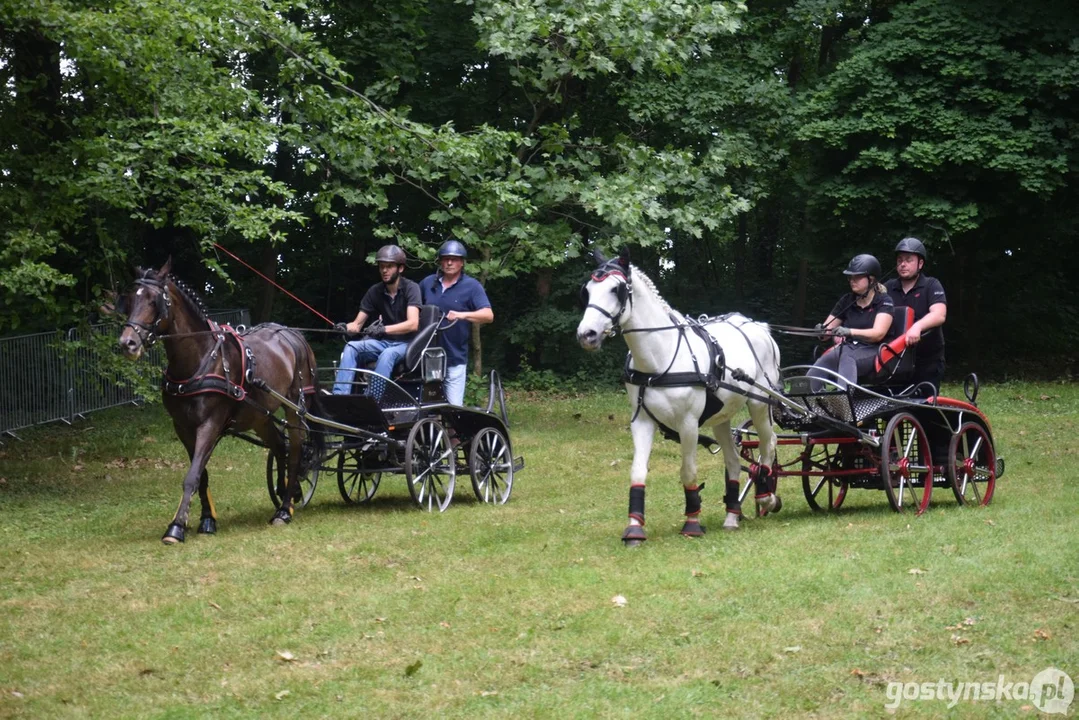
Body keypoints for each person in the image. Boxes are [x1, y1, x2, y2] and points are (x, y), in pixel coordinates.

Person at [332, 245, 422, 395]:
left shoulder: (411, 288)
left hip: (408, 344)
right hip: (384, 342)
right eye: (381, 267)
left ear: (400, 268)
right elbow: (357, 324)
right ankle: (339, 395)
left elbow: (413, 324)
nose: (384, 270)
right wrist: (346, 327)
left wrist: (384, 329)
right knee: (352, 347)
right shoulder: (375, 291)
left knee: (388, 354)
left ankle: (372, 400)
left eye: (389, 266)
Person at [420, 240, 494, 405]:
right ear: (440, 261)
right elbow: (411, 308)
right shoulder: (427, 283)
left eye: (454, 259)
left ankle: (455, 431)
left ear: (462, 262)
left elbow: (488, 315)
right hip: (427, 356)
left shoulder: (472, 286)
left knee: (453, 409)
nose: (449, 262)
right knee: (426, 407)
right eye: (446, 258)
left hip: (454, 356)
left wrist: (462, 315)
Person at [809, 254, 897, 390]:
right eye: (850, 277)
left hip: (875, 350)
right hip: (848, 349)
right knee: (822, 362)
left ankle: (843, 403)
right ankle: (801, 402)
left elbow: (878, 334)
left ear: (871, 279)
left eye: (857, 277)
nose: (852, 280)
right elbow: (828, 330)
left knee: (847, 357)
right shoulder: (847, 300)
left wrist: (849, 332)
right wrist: (821, 331)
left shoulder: (884, 301)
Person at [885, 237, 947, 395]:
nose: (902, 264)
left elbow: (939, 314)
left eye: (908, 260)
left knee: (923, 409)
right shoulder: (888, 288)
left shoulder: (931, 285)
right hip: (894, 361)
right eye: (899, 260)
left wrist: (917, 327)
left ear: (920, 263)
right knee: (890, 410)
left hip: (927, 361)